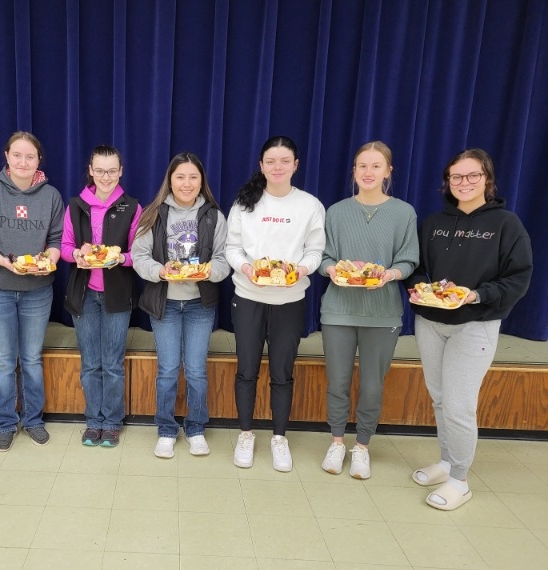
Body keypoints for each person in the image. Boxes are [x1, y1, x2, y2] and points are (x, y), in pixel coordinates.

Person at [409, 149, 532, 510]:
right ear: (447, 182)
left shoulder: (507, 224)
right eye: (457, 177)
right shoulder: (433, 222)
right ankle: (447, 461)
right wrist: (419, 288)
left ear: (487, 179)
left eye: (472, 176)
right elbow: (417, 268)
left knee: (460, 405)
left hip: (475, 326)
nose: (464, 183)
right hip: (430, 322)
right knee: (440, 398)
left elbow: (518, 278)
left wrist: (477, 295)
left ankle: (460, 480)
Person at [318, 141, 419, 479]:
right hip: (339, 310)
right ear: (354, 171)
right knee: (338, 381)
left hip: (383, 312)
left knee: (373, 384)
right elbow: (324, 256)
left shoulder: (404, 212)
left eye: (376, 166)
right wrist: (332, 270)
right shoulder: (336, 211)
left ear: (388, 171)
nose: (368, 172)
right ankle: (336, 442)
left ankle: (362, 446)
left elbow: (409, 259)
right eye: (362, 165)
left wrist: (390, 274)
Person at [225, 135, 325, 471]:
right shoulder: (244, 203)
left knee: (282, 373)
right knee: (247, 370)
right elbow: (232, 248)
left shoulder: (310, 205)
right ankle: (246, 434)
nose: (278, 167)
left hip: (290, 299)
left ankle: (279, 438)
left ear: (296, 165)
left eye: (285, 161)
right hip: (248, 296)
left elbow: (315, 250)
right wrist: (246, 267)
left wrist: (302, 269)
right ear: (261, 165)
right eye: (271, 161)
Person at [0, 131, 64, 451]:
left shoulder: (51, 196)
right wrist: (7, 264)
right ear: (6, 156)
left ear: (39, 161)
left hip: (37, 290)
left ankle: (33, 420)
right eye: (17, 155)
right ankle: (6, 422)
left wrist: (50, 259)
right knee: (4, 361)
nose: (23, 162)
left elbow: (59, 239)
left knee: (31, 359)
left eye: (30, 156)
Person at [132, 152, 229, 458]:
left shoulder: (214, 215)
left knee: (197, 370)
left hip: (200, 304)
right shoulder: (154, 214)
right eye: (180, 177)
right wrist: (160, 271)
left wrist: (209, 271)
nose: (186, 183)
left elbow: (225, 258)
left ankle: (196, 427)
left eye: (193, 177)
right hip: (166, 304)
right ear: (170, 181)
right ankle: (165, 428)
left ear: (202, 181)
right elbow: (139, 256)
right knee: (168, 369)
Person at [62, 145, 142, 448]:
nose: (106, 177)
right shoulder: (75, 205)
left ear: (120, 171)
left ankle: (111, 422)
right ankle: (92, 421)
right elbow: (65, 246)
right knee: (90, 362)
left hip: (117, 295)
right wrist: (77, 255)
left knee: (112, 362)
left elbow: (139, 254)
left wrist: (121, 258)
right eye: (100, 170)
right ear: (91, 171)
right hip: (83, 294)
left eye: (112, 170)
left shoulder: (132, 207)